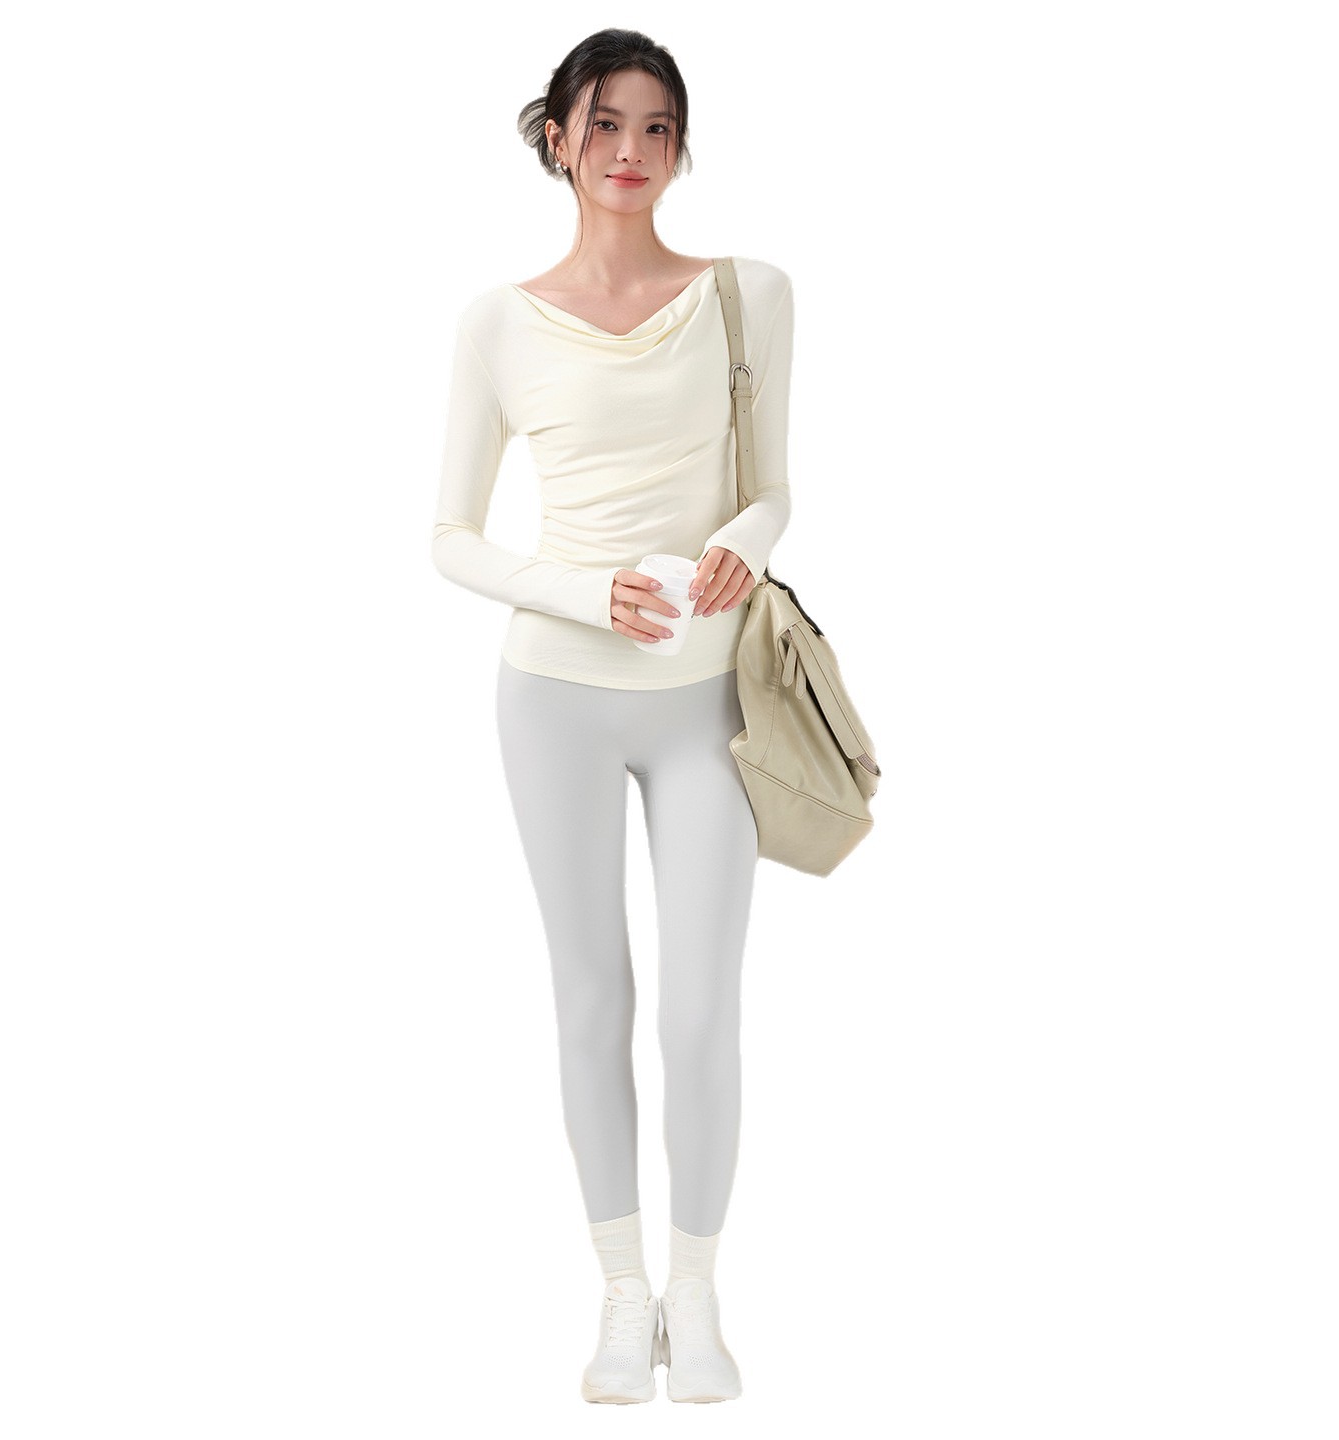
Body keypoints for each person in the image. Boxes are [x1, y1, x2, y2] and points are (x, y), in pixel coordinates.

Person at [430, 28, 793, 1405]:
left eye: (657, 126)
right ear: (558, 140)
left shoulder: (749, 294)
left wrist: (742, 543)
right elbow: (450, 537)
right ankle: (622, 1293)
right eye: (605, 124)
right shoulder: (497, 323)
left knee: (701, 1010)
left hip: (707, 700)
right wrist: (588, 592)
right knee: (593, 998)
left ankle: (697, 1294)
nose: (631, 151)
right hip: (556, 699)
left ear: (680, 146)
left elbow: (773, 485)